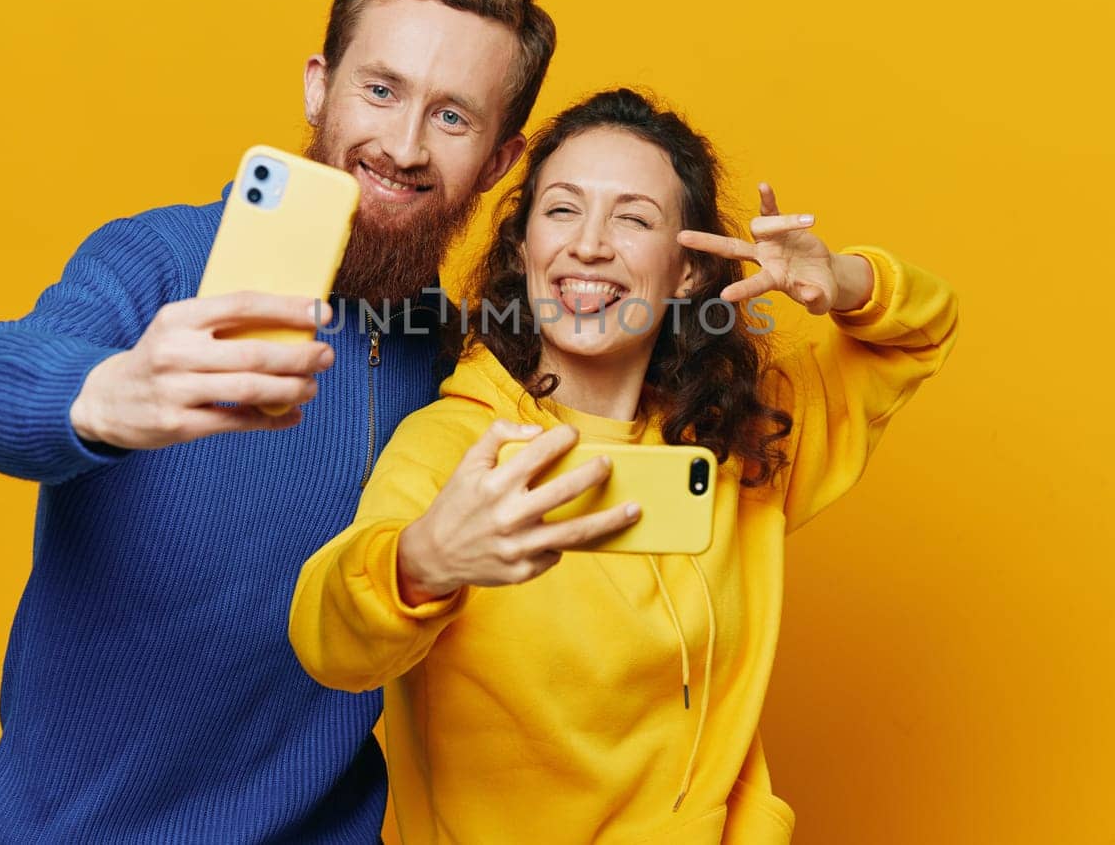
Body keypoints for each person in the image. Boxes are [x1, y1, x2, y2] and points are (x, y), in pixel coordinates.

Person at [0, 0, 556, 844]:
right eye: (380, 89)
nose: (403, 144)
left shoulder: (447, 353)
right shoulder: (162, 262)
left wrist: (852, 295)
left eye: (453, 117)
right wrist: (108, 394)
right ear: (319, 85)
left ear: (500, 163)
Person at [289, 88, 960, 843]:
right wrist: (422, 561)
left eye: (635, 218)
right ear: (522, 246)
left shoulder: (744, 437)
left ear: (687, 272)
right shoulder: (458, 443)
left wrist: (846, 282)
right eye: (563, 210)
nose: (590, 245)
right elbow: (330, 644)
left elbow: (923, 332)